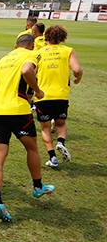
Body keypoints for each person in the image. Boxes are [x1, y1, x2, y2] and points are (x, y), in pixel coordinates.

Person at [0, 34, 53, 222]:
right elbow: (26, 71)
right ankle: (38, 187)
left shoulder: (3, 59)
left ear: (15, 46)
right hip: (18, 111)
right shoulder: (33, 54)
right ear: (32, 45)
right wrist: (38, 91)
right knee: (32, 148)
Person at [34, 25, 83, 168]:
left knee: (45, 128)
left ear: (46, 36)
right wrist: (77, 78)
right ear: (63, 37)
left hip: (43, 95)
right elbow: (77, 69)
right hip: (61, 94)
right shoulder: (68, 51)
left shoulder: (40, 52)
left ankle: (53, 158)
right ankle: (60, 142)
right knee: (60, 123)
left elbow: (31, 72)